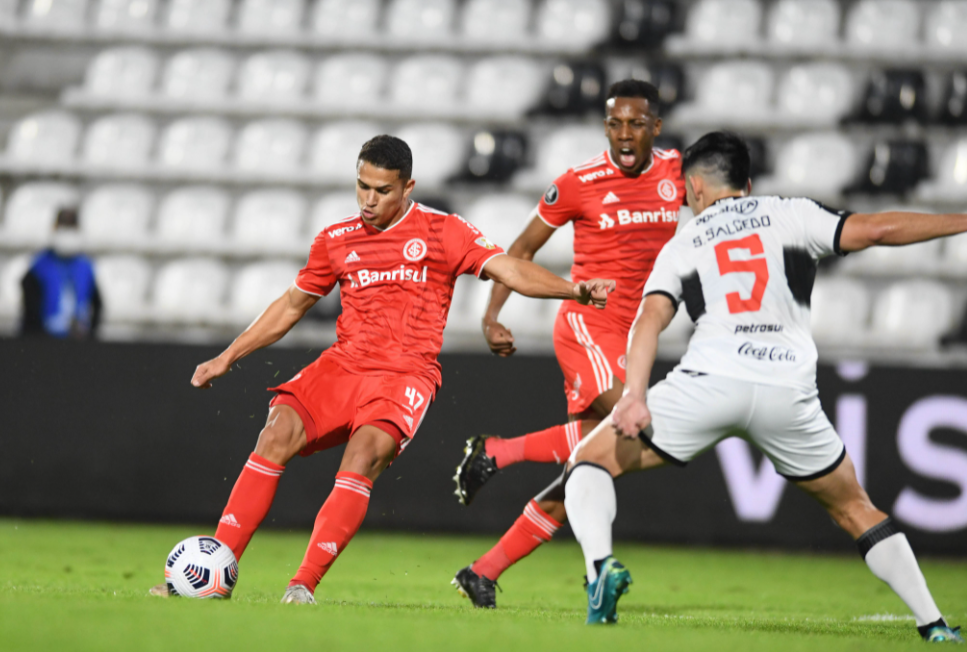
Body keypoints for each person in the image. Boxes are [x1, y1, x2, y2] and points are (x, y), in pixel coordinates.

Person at [148, 135, 614, 604]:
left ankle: (302, 584)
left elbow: (509, 269)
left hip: (405, 375)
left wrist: (574, 291)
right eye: (362, 186)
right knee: (275, 432)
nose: (369, 200)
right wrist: (226, 357)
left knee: (362, 455)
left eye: (382, 190)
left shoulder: (444, 231)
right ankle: (216, 568)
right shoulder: (336, 239)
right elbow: (290, 307)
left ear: (407, 186)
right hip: (344, 364)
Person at [561, 131, 964, 642]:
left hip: (708, 383)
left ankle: (600, 571)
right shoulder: (793, 213)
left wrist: (636, 394)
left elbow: (649, 321)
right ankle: (933, 623)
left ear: (696, 188)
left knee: (588, 463)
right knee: (854, 507)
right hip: (786, 391)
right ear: (747, 185)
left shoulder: (684, 242)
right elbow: (879, 229)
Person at [451, 80, 684, 607]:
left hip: (635, 336)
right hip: (587, 326)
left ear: (656, 128)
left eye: (636, 123)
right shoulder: (579, 183)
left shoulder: (677, 172)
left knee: (591, 459)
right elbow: (522, 249)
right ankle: (597, 569)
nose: (624, 134)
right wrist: (491, 315)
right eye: (615, 123)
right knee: (635, 431)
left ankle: (483, 566)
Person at [20, 207, 101, 339]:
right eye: (64, 227)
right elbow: (30, 312)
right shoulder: (39, 265)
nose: (67, 234)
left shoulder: (85, 267)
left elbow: (97, 306)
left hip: (77, 343)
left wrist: (89, 334)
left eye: (71, 227)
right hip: (43, 341)